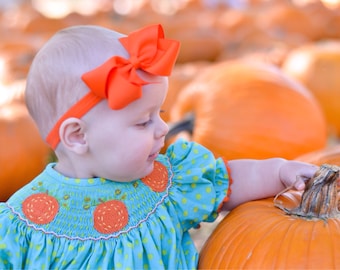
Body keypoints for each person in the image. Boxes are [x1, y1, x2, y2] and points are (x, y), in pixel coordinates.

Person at [0, 24, 318, 269]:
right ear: (78, 137)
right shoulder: (24, 223)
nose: (163, 128)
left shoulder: (166, 184)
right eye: (143, 122)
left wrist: (278, 170)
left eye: (160, 113)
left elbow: (227, 183)